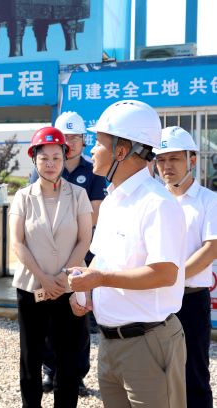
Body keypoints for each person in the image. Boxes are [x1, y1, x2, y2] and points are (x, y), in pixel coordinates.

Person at [69, 100, 187, 407]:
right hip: (110, 343)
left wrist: (100, 279)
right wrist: (87, 290)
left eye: (99, 142)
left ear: (121, 151)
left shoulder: (157, 204)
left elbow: (164, 274)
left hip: (148, 343)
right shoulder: (111, 200)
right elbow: (103, 261)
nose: (92, 149)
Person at [11, 126, 92, 408]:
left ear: (64, 158)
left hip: (69, 288)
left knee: (68, 356)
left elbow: (84, 239)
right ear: (34, 159)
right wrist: (44, 278)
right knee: (30, 356)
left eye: (56, 157)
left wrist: (62, 278)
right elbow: (17, 242)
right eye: (44, 158)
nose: (50, 164)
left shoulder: (78, 195)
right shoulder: (23, 197)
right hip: (31, 287)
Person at [29, 111, 107, 396]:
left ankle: (76, 375)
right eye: (66, 137)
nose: (70, 143)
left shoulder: (94, 170)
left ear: (83, 140)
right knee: (48, 315)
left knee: (78, 317)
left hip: (80, 256)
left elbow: (96, 212)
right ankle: (50, 371)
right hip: (46, 256)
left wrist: (64, 223)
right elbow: (33, 212)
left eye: (75, 138)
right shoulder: (43, 168)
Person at [154, 126, 216, 408]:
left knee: (193, 376)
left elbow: (210, 249)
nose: (167, 166)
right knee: (156, 376)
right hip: (155, 301)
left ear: (192, 160)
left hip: (189, 301)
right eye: (161, 159)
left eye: (174, 159)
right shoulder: (153, 200)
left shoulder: (208, 201)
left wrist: (170, 278)